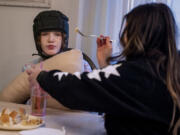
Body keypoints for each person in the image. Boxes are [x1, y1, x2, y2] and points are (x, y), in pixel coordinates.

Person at [27, 3, 180, 135]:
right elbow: (120, 95)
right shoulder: (167, 67)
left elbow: (77, 88)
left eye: (126, 30)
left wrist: (42, 76)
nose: (51, 39)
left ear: (136, 35)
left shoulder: (135, 73)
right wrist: (105, 64)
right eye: (45, 34)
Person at [23, 10, 92, 72]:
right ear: (38, 39)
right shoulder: (29, 68)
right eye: (45, 34)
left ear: (64, 39)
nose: (50, 39)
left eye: (57, 34)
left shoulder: (81, 65)